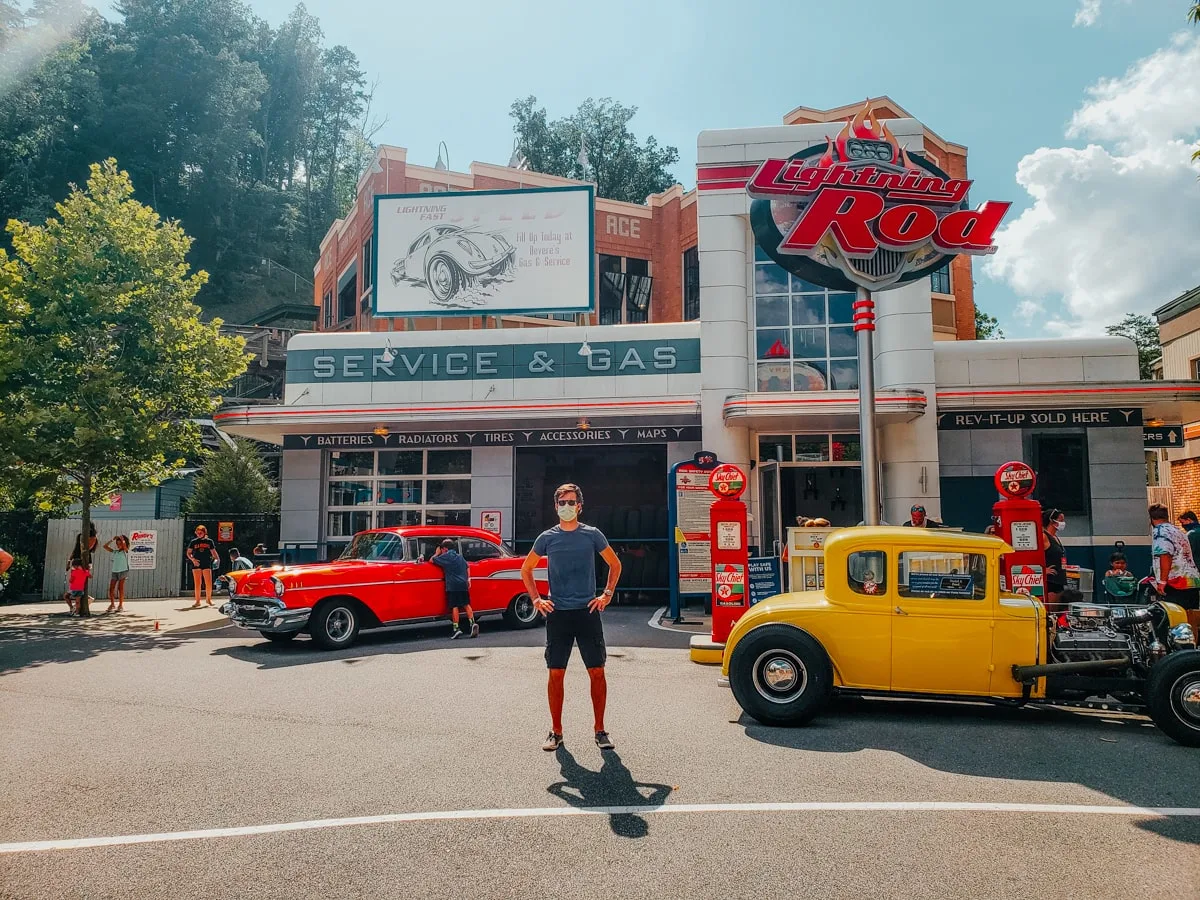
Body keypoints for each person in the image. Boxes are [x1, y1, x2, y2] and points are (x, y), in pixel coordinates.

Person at [520, 483, 623, 753]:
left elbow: (615, 563)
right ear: (555, 507)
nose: (566, 507)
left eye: (571, 502)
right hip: (558, 614)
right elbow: (526, 569)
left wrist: (606, 594)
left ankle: (600, 730)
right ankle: (556, 732)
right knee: (556, 673)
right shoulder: (547, 538)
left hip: (587, 612)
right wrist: (536, 599)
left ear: (580, 505)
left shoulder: (592, 535)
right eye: (562, 503)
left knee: (597, 671)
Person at [1149, 503, 1200, 610]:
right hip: (1192, 581)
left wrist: (1162, 582)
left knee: (1174, 618)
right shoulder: (1178, 531)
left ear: (1151, 518)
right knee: (1191, 619)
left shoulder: (1160, 531)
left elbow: (1165, 554)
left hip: (1175, 583)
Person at [431, 538, 477, 639]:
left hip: (453, 585)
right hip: (463, 584)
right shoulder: (460, 557)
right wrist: (468, 579)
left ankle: (456, 628)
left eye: (442, 549)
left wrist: (436, 553)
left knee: (454, 606)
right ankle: (472, 623)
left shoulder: (445, 557)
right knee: (466, 604)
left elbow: (432, 560)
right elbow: (467, 566)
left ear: (445, 549)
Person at [186, 525, 218, 608]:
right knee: (197, 583)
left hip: (207, 562)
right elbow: (188, 553)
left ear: (204, 532)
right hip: (197, 563)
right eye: (197, 532)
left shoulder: (209, 541)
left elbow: (213, 552)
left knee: (208, 582)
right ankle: (197, 601)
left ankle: (208, 599)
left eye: (201, 532)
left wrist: (217, 559)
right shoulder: (193, 542)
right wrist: (193, 560)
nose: (199, 534)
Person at [1042, 508, 1067, 609]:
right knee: (1050, 612)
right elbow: (1032, 556)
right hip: (1050, 581)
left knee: (1057, 612)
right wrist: (1043, 570)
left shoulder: (1055, 537)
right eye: (1061, 520)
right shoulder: (1043, 536)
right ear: (1052, 521)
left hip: (1059, 579)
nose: (1063, 523)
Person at [102, 535, 130, 613]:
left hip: (123, 571)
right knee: (111, 588)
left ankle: (120, 605)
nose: (118, 545)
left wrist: (122, 539)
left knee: (120, 588)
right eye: (117, 544)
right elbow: (105, 546)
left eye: (119, 543)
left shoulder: (125, 551)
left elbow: (124, 546)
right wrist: (112, 539)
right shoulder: (115, 552)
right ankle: (112, 604)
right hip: (115, 571)